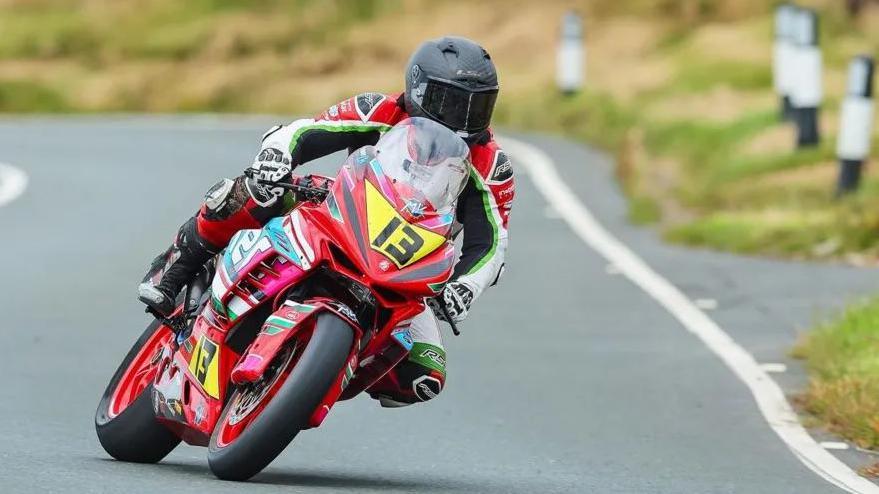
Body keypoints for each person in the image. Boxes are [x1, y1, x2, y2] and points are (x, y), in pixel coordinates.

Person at [138, 36, 515, 407]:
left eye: (477, 107)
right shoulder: (378, 109)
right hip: (342, 212)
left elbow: (491, 244)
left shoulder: (491, 165)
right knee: (255, 192)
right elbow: (303, 131)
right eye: (449, 102)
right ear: (418, 88)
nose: (462, 120)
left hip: (407, 267)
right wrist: (275, 157)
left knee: (423, 376)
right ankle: (176, 267)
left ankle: (313, 376)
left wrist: (464, 286)